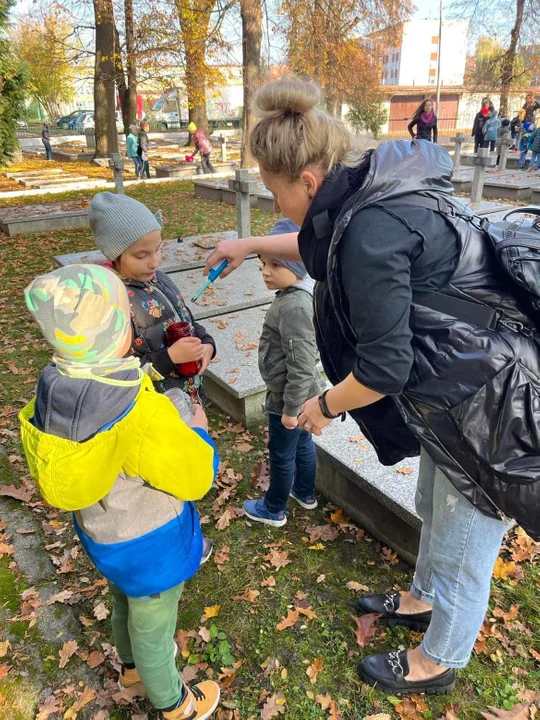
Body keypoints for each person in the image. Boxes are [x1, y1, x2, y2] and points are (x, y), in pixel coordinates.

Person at [204, 78, 540, 696]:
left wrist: (323, 405)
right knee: (434, 506)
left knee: (468, 531)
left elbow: (384, 369)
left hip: (485, 401)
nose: (278, 202)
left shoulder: (370, 229)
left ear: (306, 179)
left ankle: (440, 659)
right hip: (448, 390)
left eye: (277, 190)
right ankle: (422, 597)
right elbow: (313, 244)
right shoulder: (360, 192)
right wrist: (249, 241)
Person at [19, 264, 221, 720]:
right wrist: (200, 434)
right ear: (117, 329)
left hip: (102, 531)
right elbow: (194, 477)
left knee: (122, 600)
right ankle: (173, 702)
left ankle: (129, 668)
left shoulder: (57, 386)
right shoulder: (135, 408)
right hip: (148, 539)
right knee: (153, 623)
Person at [89, 192, 216, 405]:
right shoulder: (112, 302)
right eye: (142, 255)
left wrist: (207, 344)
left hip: (190, 398)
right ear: (115, 254)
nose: (154, 262)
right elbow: (116, 373)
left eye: (158, 249)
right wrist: (170, 358)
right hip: (155, 410)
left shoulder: (159, 280)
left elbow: (187, 319)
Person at [243, 218, 325, 527]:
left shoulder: (294, 308)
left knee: (281, 454)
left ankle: (274, 508)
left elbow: (301, 364)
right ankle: (304, 493)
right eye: (263, 263)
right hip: (299, 395)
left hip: (289, 399)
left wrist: (290, 410)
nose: (265, 271)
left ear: (298, 268)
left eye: (275, 264)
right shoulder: (292, 298)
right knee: (303, 445)